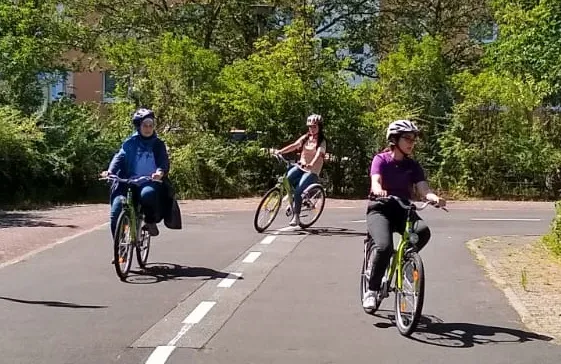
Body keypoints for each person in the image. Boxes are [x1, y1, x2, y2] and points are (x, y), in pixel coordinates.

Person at [362, 119, 446, 310]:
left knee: (423, 232)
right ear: (394, 139)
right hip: (380, 209)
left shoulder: (412, 166)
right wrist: (378, 189)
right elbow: (375, 180)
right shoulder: (381, 159)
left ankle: (406, 263)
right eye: (407, 138)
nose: (411, 142)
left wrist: (433, 197)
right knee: (384, 247)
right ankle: (372, 290)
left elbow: (423, 188)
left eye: (413, 139)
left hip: (403, 210)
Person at [101, 107, 180, 239]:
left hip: (149, 181)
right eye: (145, 125)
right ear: (139, 126)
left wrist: (160, 172)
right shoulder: (130, 143)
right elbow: (119, 157)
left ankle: (150, 222)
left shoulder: (158, 144)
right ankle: (120, 249)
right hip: (127, 181)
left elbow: (163, 161)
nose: (148, 128)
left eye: (151, 125)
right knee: (117, 207)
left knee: (147, 194)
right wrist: (110, 171)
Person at [274, 114, 327, 226]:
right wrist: (281, 151)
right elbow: (294, 145)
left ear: (320, 127)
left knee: (298, 191)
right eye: (310, 127)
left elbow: (318, 154)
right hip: (301, 166)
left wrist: (311, 164)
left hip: (312, 170)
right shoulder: (306, 137)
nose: (311, 129)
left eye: (314, 127)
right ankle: (293, 200)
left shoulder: (322, 141)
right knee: (287, 178)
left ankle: (296, 217)